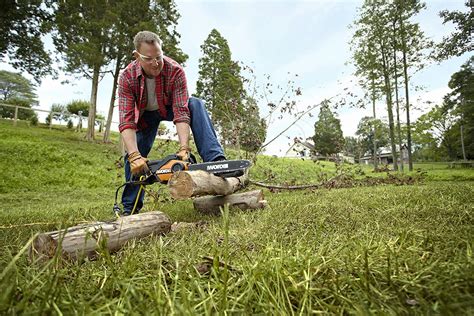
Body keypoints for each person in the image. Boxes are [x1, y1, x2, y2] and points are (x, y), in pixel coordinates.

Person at [118, 31, 226, 215]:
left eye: (158, 57)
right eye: (149, 58)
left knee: (195, 104)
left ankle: (215, 160)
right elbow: (127, 120)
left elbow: (181, 111)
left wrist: (184, 148)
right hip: (144, 118)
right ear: (137, 56)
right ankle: (130, 208)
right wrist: (134, 155)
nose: (155, 63)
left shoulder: (175, 70)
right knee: (134, 154)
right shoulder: (127, 77)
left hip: (168, 108)